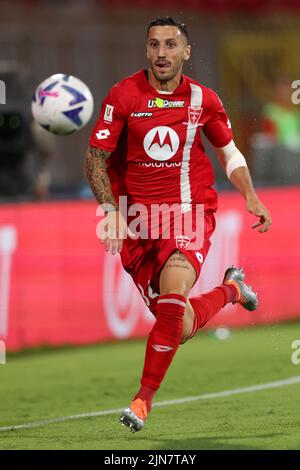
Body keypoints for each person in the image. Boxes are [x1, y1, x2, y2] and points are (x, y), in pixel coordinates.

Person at [85, 16, 272, 433]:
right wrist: (112, 210)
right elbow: (94, 158)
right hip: (137, 222)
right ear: (146, 50)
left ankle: (142, 401)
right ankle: (232, 289)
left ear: (186, 52)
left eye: (171, 45)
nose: (161, 53)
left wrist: (250, 195)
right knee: (179, 323)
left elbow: (230, 153)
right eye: (154, 45)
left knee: (171, 301)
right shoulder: (124, 95)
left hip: (188, 211)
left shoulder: (203, 100)